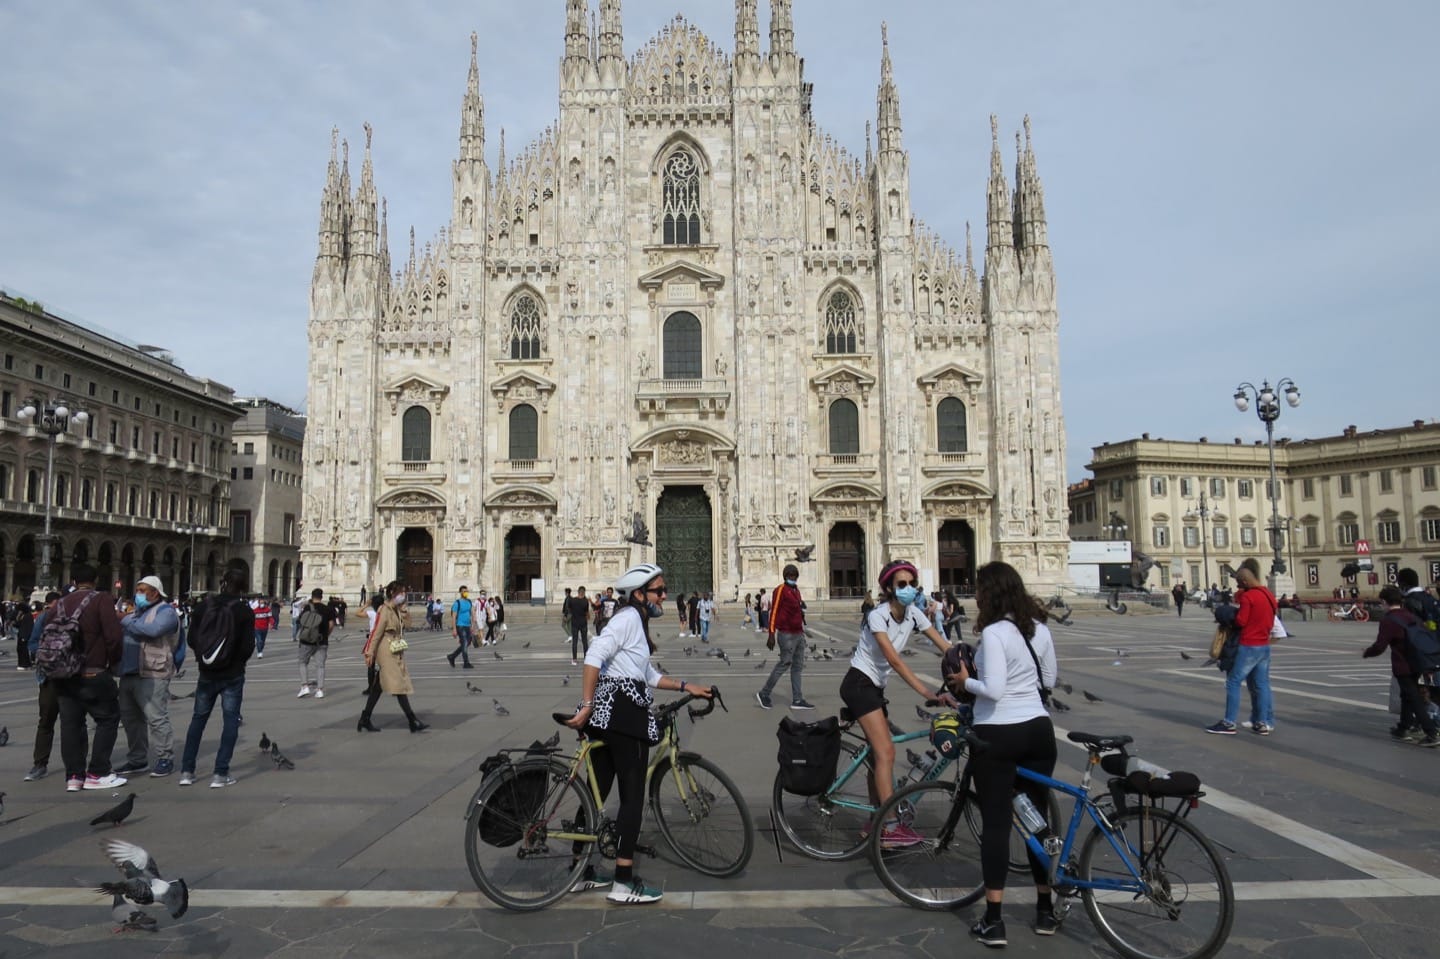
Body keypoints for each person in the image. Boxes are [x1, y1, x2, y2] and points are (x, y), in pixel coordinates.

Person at [566, 563, 714, 904]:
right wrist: (586, 703)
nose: (664, 595)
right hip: (623, 714)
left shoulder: (634, 621)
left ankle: (579, 869)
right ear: (638, 594)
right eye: (659, 591)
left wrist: (684, 685)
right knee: (632, 799)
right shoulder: (629, 619)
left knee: (597, 794)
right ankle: (623, 880)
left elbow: (643, 671)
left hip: (610, 713)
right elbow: (593, 655)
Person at [951, 560, 1060, 947]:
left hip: (999, 733)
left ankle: (995, 920)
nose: (975, 595)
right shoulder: (1040, 629)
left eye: (979, 588)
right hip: (1039, 731)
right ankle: (1045, 910)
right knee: (1036, 821)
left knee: (997, 825)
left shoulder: (996, 633)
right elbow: (1048, 680)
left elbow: (993, 690)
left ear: (990, 593)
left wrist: (966, 681)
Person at [839, 560, 957, 846]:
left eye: (911, 584)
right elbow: (894, 660)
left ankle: (874, 821)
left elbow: (946, 647)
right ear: (889, 588)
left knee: (874, 756)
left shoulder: (915, 613)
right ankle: (890, 827)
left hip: (875, 689)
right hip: (859, 685)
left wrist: (971, 665)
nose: (907, 589)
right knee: (887, 753)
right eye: (901, 584)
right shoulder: (878, 615)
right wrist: (927, 693)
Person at [48, 563, 127, 792]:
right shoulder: (101, 599)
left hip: (63, 675)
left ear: (73, 582)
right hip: (93, 670)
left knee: (71, 724)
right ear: (95, 580)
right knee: (108, 719)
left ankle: (73, 776)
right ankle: (97, 772)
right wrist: (112, 662)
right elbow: (114, 636)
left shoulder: (60, 603)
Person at [179, 564, 255, 788]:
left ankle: (186, 771)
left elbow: (192, 638)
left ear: (223, 582)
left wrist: (206, 658)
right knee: (230, 721)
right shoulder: (244, 611)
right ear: (243, 588)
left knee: (198, 720)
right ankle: (220, 774)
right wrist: (235, 663)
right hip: (232, 675)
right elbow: (247, 647)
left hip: (206, 674)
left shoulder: (203, 606)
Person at [115, 575, 180, 778]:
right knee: (131, 719)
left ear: (155, 593)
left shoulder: (166, 612)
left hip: (153, 673)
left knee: (156, 718)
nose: (139, 594)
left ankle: (165, 758)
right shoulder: (137, 612)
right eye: (137, 590)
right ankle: (138, 759)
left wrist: (123, 619)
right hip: (129, 672)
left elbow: (152, 631)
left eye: (143, 590)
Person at [1206, 558, 1277, 736]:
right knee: (1261, 685)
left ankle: (1229, 722)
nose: (1238, 587)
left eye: (1238, 583)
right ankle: (1262, 723)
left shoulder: (1248, 596)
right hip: (1264, 645)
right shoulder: (1268, 595)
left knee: (1233, 682)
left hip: (1248, 645)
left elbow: (1241, 621)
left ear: (1245, 581)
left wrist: (1229, 617)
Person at [1365, 585, 1440, 746]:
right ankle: (1403, 728)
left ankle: (1432, 733)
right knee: (1407, 696)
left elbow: (1380, 646)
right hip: (1419, 663)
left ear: (1384, 601)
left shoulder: (1389, 620)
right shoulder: (1411, 616)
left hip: (1403, 665)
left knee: (1414, 698)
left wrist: (1366, 653)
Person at [359, 581, 429, 733]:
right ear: (392, 593)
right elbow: (376, 632)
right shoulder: (384, 610)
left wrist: (404, 611)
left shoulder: (397, 610)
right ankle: (412, 720)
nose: (403, 595)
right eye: (400, 593)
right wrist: (369, 653)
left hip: (395, 647)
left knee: (378, 686)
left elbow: (409, 625)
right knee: (397, 682)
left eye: (404, 593)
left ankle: (365, 718)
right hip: (385, 648)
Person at [757, 564, 814, 711]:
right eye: (790, 576)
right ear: (785, 576)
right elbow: (774, 611)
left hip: (798, 633)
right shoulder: (780, 590)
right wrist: (771, 634)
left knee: (797, 667)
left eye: (795, 576)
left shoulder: (796, 591)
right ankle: (764, 693)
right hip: (786, 633)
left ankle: (797, 699)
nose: (793, 578)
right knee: (784, 663)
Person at [23, 592, 62, 781]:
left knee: (75, 723)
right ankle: (40, 764)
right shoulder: (45, 618)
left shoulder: (76, 615)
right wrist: (45, 656)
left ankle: (76, 767)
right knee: (46, 720)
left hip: (72, 676)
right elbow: (32, 642)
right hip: (49, 677)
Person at [295, 588, 334, 698]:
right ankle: (320, 690)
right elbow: (331, 625)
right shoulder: (327, 609)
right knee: (320, 666)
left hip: (306, 640)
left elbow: (301, 622)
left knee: (302, 662)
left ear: (312, 596)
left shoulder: (307, 608)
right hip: (322, 641)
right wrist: (326, 635)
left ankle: (304, 686)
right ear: (322, 597)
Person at [448, 586, 476, 668]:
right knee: (464, 643)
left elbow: (472, 614)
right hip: (460, 625)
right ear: (460, 592)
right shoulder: (457, 603)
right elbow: (453, 617)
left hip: (468, 626)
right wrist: (454, 629)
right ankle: (466, 663)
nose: (466, 592)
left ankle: (452, 656)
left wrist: (473, 625)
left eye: (467, 591)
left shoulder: (469, 602)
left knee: (467, 643)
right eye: (464, 591)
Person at [567, 586, 592, 665]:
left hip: (574, 623)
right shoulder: (585, 601)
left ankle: (574, 659)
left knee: (575, 641)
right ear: (584, 592)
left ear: (578, 592)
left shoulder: (573, 600)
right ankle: (586, 658)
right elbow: (587, 614)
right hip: (583, 623)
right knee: (585, 641)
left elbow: (569, 610)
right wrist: (588, 617)